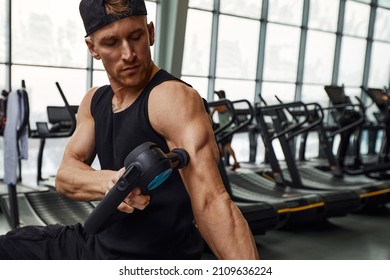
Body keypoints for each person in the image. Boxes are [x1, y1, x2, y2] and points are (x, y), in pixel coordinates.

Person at [0, 0, 259, 260]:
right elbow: (65, 176)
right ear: (93, 48)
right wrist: (111, 182)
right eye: (111, 43)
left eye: (136, 37)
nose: (128, 54)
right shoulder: (94, 101)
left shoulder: (170, 98)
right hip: (95, 245)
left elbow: (212, 201)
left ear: (151, 33)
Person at [211, 90, 241, 171]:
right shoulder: (227, 104)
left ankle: (235, 162)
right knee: (223, 149)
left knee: (227, 146)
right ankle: (220, 165)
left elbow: (211, 115)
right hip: (229, 128)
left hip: (224, 129)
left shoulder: (218, 104)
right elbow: (233, 114)